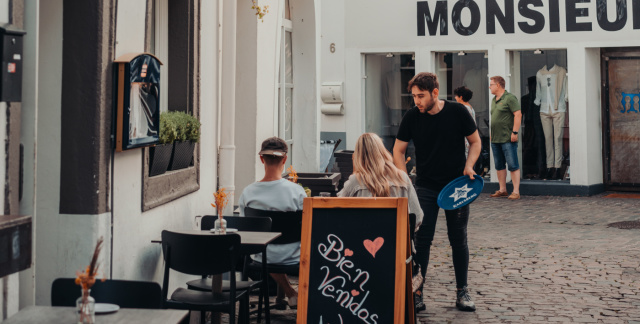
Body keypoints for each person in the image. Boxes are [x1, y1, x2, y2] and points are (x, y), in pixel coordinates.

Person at [393, 72, 481, 313]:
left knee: (458, 239)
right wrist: (404, 179)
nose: (416, 101)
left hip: (457, 186)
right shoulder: (412, 116)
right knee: (421, 240)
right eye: (413, 96)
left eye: (420, 96)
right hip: (425, 186)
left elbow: (475, 141)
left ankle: (462, 290)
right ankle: (417, 292)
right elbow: (398, 150)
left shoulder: (458, 112)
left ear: (435, 92)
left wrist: (469, 165)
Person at [238, 136, 306, 310]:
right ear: (285, 159)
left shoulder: (248, 193)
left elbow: (245, 230)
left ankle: (290, 294)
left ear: (261, 159)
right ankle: (298, 297)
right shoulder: (297, 192)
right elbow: (307, 226)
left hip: (261, 255)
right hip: (294, 256)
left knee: (267, 248)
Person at [489, 76, 522, 200]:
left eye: (491, 84)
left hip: (507, 138)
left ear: (498, 85)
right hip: (495, 138)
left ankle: (516, 191)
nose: (489, 86)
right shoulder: (494, 100)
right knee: (499, 165)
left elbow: (518, 114)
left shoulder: (510, 98)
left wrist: (515, 132)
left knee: (513, 164)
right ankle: (502, 189)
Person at [453, 86, 477, 157]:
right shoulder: (470, 107)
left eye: (456, 96)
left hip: (465, 141)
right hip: (470, 139)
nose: (455, 98)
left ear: (461, 97)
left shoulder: (462, 109)